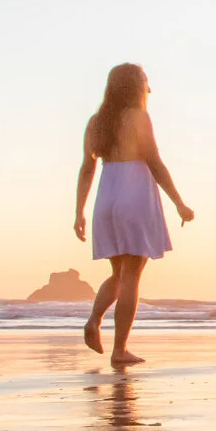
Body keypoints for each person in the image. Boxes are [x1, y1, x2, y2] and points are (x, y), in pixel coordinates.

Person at [72, 63, 194, 366]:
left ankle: (94, 320)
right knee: (131, 276)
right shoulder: (138, 117)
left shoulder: (97, 122)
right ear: (136, 86)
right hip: (134, 193)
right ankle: (120, 349)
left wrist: (79, 211)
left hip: (107, 196)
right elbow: (154, 161)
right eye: (145, 82)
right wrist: (179, 202)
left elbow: (87, 168)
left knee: (118, 273)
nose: (148, 88)